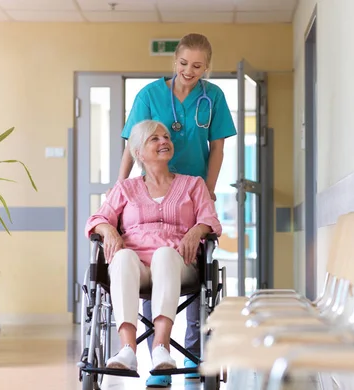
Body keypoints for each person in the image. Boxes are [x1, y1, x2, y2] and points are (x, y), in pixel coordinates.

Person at [118, 33, 236, 387]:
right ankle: (158, 365)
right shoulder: (150, 96)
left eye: (198, 66)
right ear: (175, 62)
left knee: (182, 261)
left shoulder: (212, 97)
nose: (189, 71)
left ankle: (192, 367)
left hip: (189, 194)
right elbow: (132, 143)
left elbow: (217, 149)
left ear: (207, 68)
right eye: (183, 64)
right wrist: (120, 186)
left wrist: (208, 192)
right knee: (148, 251)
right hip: (152, 184)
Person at [85, 120, 222, 375]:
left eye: (166, 137)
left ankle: (161, 347)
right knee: (123, 257)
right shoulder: (125, 188)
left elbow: (210, 220)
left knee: (164, 255)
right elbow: (97, 220)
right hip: (136, 266)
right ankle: (127, 350)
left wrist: (197, 230)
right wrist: (109, 230)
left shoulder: (193, 185)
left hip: (180, 263)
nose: (164, 142)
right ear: (138, 153)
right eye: (154, 139)